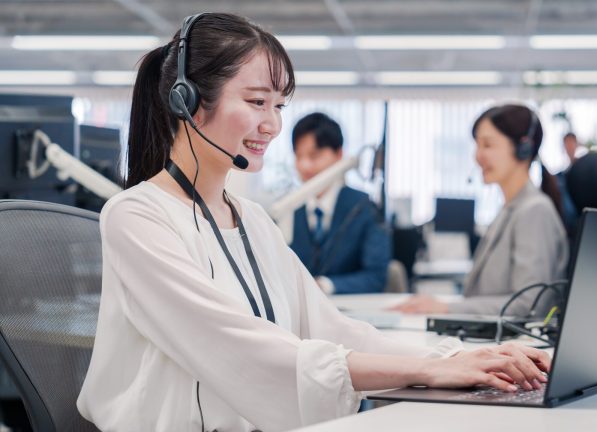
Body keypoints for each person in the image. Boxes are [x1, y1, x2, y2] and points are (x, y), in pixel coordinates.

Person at [76, 14, 550, 432]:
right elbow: (240, 350)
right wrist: (427, 373)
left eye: (278, 106)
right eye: (258, 101)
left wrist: (450, 359)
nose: (273, 125)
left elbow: (331, 328)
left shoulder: (252, 220)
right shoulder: (136, 217)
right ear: (188, 100)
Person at [392, 104, 569, 317]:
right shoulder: (510, 209)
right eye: (477, 145)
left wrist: (447, 308)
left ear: (523, 148)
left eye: (488, 145)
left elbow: (529, 304)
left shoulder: (535, 211)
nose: (478, 156)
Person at [288, 112, 390, 295]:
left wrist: (326, 285)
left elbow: (376, 277)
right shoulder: (289, 210)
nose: (304, 166)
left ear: (339, 154)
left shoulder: (365, 208)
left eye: (314, 156)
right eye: (298, 156)